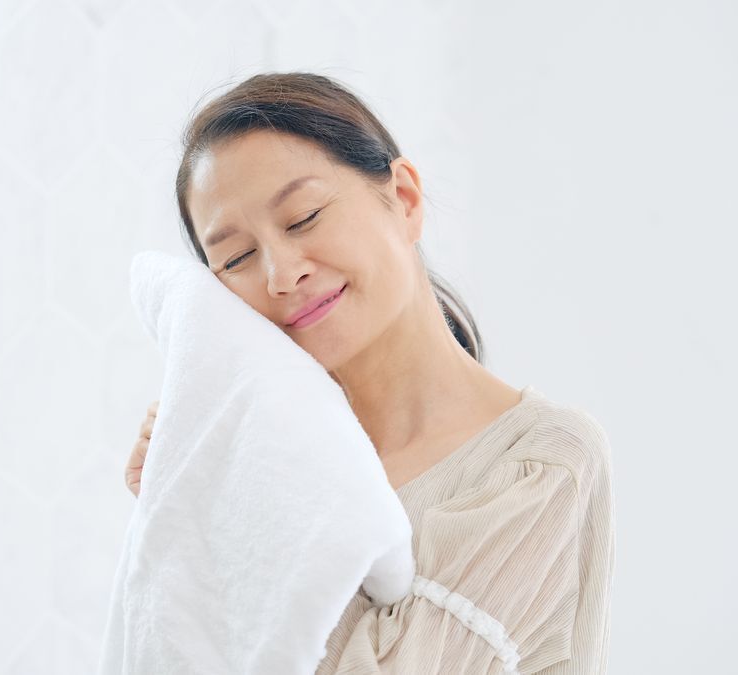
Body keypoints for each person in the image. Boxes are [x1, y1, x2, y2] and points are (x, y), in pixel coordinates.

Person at [124, 72, 614, 674]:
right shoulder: (263, 462)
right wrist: (203, 484)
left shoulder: (541, 464)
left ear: (404, 198)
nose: (280, 274)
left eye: (302, 217)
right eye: (237, 258)